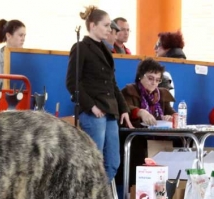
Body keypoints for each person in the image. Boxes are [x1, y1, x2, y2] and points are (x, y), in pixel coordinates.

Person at [66, 6, 132, 183]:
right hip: (93, 112)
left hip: (109, 110)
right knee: (94, 162)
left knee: (113, 162)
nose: (109, 29)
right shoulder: (81, 47)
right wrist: (91, 106)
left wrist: (123, 108)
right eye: (106, 25)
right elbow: (72, 83)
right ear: (93, 25)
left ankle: (99, 196)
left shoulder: (106, 50)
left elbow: (112, 83)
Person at [117, 58, 175, 189]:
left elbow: (172, 113)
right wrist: (140, 112)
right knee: (136, 147)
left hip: (158, 139)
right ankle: (134, 191)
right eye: (150, 78)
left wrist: (169, 117)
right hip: (137, 138)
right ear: (140, 77)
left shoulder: (161, 94)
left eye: (157, 80)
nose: (154, 83)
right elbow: (124, 108)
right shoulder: (129, 91)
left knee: (180, 144)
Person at [155, 31, 186, 101]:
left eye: (157, 45)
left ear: (167, 45)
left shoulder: (167, 64)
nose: (155, 48)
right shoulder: (182, 63)